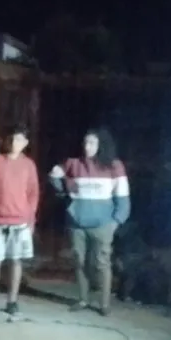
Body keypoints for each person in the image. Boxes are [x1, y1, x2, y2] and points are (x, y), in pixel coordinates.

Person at [49, 128, 130, 316]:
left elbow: (123, 197)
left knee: (101, 263)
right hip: (77, 223)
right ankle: (83, 299)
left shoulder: (114, 166)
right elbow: (59, 186)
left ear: (101, 145)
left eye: (92, 143)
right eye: (85, 143)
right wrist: (54, 177)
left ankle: (104, 304)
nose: (87, 147)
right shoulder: (73, 163)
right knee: (79, 261)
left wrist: (116, 221)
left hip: (103, 224)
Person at [0, 124, 40, 320]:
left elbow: (33, 193)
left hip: (20, 221)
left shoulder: (29, 165)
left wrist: (31, 219)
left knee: (15, 261)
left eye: (19, 140)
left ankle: (12, 302)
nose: (14, 143)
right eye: (12, 139)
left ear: (25, 143)